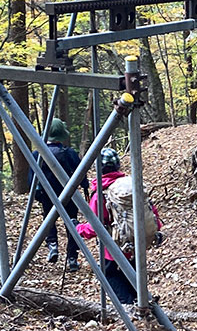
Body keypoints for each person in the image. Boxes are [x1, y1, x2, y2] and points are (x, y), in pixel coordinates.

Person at [76, 147, 163, 305]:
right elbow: (152, 210)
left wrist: (78, 229)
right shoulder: (132, 185)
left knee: (110, 277)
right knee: (133, 280)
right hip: (136, 243)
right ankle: (144, 310)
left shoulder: (100, 194)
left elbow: (96, 226)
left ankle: (130, 313)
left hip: (114, 249)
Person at [29, 119, 88, 271]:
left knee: (49, 221)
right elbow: (80, 172)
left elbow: (31, 179)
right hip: (69, 195)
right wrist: (86, 186)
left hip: (48, 195)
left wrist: (37, 194)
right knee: (72, 223)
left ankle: (52, 246)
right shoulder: (69, 153)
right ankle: (72, 258)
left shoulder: (37, 154)